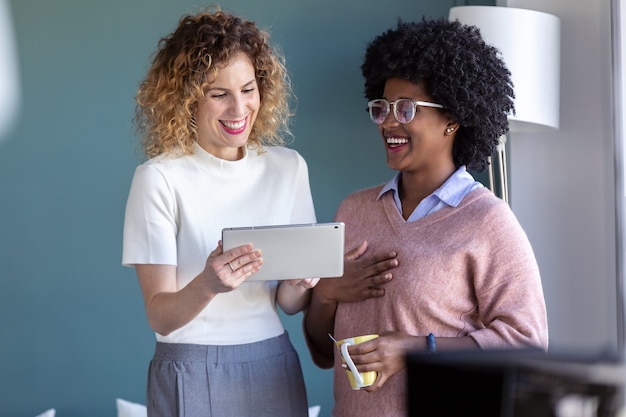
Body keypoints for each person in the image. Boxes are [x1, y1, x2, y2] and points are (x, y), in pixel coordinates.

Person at [303, 17, 549, 417]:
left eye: (406, 109)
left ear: (452, 118)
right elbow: (321, 350)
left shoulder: (488, 222)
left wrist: (417, 349)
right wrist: (327, 293)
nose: (389, 123)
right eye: (381, 109)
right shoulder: (354, 211)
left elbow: (528, 344)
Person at [122, 8, 318, 417]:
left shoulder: (289, 167)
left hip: (273, 363)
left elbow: (289, 302)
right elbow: (160, 315)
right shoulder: (159, 178)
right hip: (190, 366)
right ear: (187, 97)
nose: (238, 109)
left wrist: (302, 280)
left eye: (248, 89)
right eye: (218, 94)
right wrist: (207, 284)